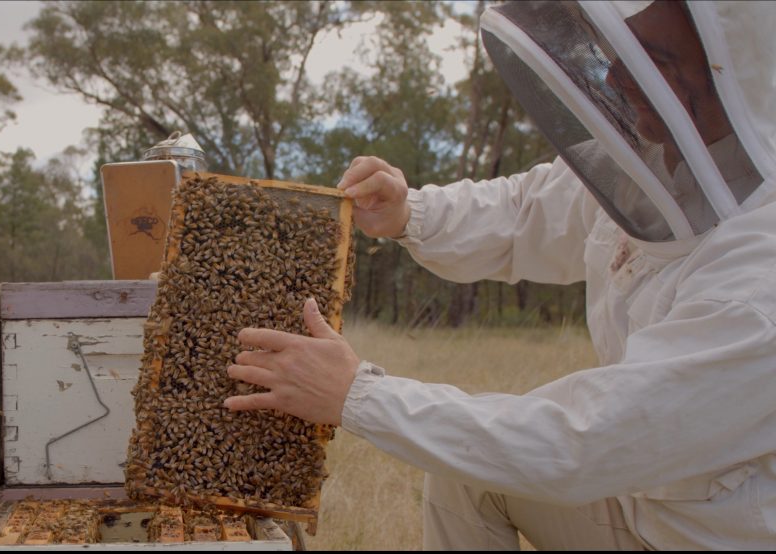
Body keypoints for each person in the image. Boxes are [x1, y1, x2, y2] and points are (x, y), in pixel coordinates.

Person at [222, 1, 776, 549]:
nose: (615, 77)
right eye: (623, 51)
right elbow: (524, 209)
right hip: (644, 503)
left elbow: (586, 442)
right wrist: (407, 213)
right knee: (469, 470)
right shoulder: (659, 163)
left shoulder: (757, 285)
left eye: (654, 59)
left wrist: (356, 394)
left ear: (735, 79)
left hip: (716, 535)